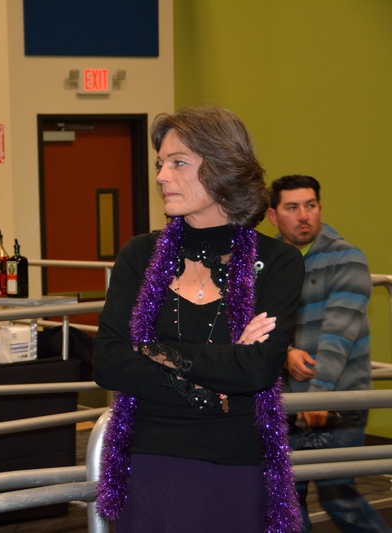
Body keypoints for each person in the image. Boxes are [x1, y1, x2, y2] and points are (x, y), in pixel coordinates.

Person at [93, 105, 304, 532]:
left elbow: (256, 370)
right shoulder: (140, 255)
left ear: (223, 167)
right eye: (160, 164)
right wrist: (219, 373)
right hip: (148, 461)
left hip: (234, 467)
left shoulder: (277, 262)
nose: (160, 177)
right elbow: (109, 362)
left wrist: (150, 349)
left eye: (178, 163)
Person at [267, 174, 389, 533]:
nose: (304, 215)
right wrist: (286, 352)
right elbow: (257, 324)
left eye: (311, 205)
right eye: (292, 207)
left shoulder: (347, 258)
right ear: (273, 216)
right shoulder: (268, 263)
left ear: (320, 208)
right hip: (288, 401)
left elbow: (339, 335)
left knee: (338, 496)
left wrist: (319, 396)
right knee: (287, 499)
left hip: (338, 401)